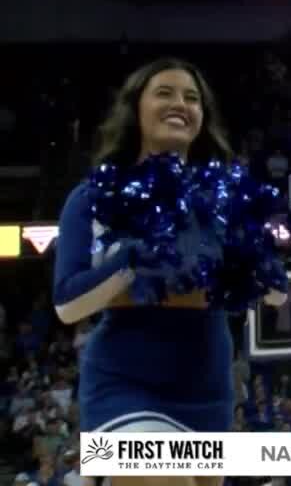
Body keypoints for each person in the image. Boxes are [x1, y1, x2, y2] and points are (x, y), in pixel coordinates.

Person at [53, 59, 234, 486]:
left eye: (192, 98)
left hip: (206, 387)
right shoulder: (94, 196)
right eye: (165, 93)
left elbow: (260, 289)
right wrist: (137, 257)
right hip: (124, 383)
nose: (181, 104)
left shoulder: (224, 197)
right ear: (136, 108)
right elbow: (66, 303)